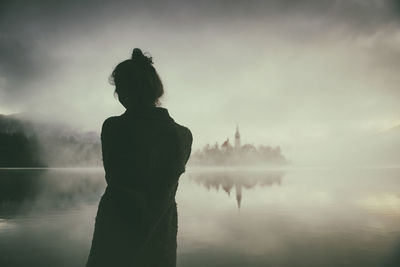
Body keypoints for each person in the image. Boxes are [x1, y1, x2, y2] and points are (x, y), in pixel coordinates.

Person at [86, 48, 192, 267]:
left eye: (119, 88)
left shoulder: (114, 127)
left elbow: (115, 177)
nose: (117, 94)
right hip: (161, 237)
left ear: (127, 90)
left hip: (115, 236)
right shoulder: (183, 135)